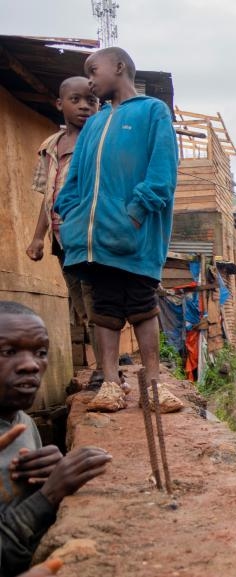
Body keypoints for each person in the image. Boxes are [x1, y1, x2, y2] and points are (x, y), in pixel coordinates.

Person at [53, 47, 178, 409]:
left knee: (141, 304)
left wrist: (135, 212)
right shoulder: (93, 123)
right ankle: (110, 384)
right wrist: (69, 211)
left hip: (135, 235)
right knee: (104, 309)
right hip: (95, 239)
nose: (90, 81)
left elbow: (162, 172)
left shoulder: (152, 112)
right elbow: (74, 179)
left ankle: (153, 385)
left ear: (120, 67)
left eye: (94, 70)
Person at [0, 301, 111, 575]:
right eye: (8, 351)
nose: (30, 365)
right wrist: (49, 496)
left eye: (40, 352)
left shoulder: (23, 423)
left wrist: (44, 478)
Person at [24, 77, 102, 388]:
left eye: (91, 100)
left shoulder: (98, 142)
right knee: (82, 306)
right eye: (76, 99)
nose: (84, 106)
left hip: (90, 236)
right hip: (61, 240)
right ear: (60, 104)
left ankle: (105, 373)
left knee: (96, 301)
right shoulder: (49, 147)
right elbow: (48, 198)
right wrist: (37, 238)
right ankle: (102, 368)